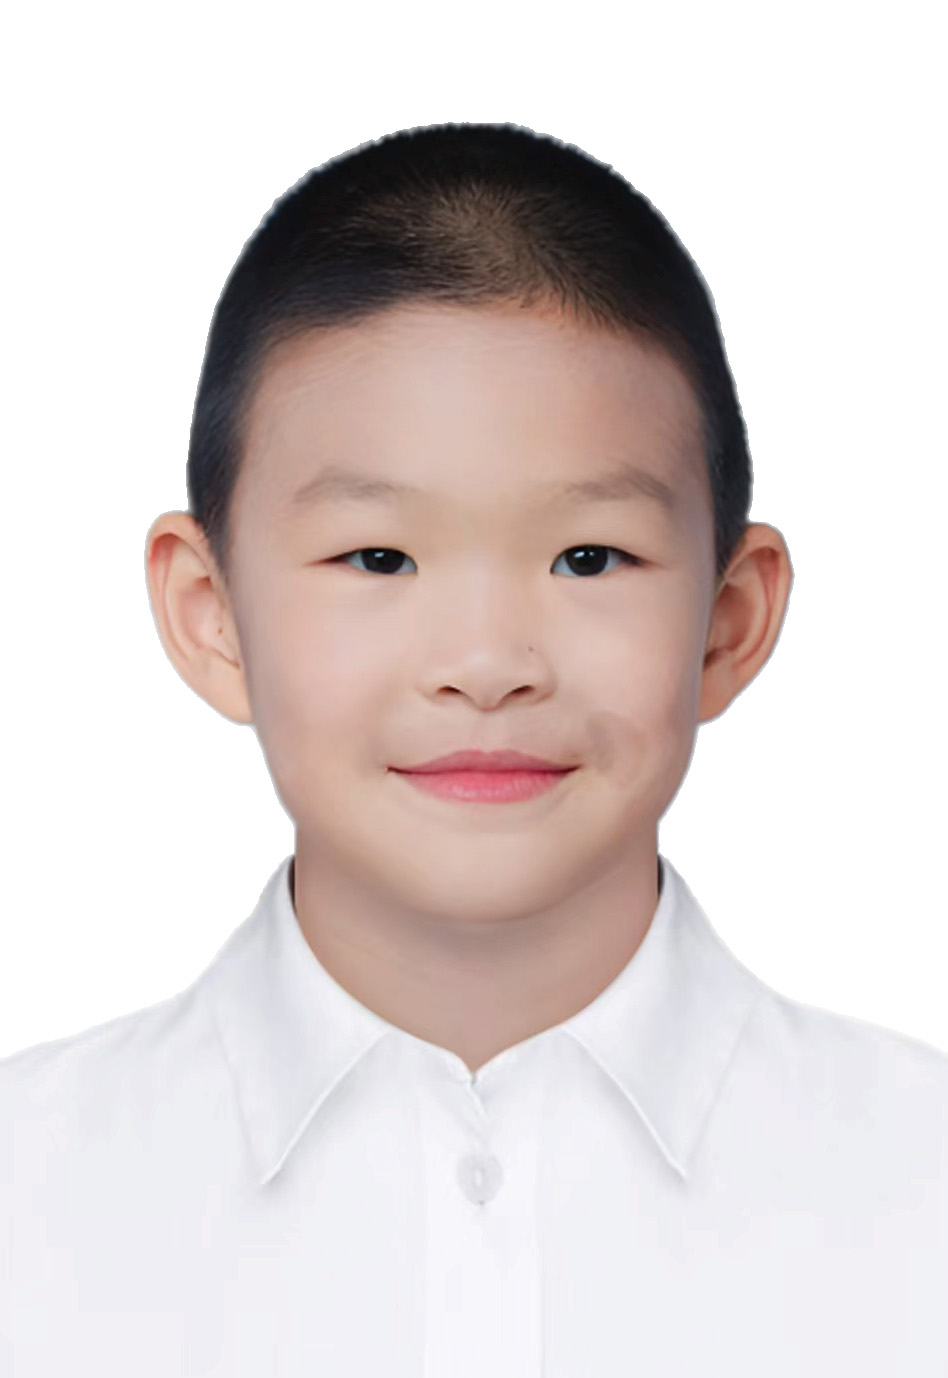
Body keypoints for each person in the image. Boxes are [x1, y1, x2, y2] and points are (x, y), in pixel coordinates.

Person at [2, 121, 945, 1376]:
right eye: (378, 557)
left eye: (589, 557)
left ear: (728, 621)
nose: (488, 659)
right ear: (210, 614)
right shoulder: (30, 1197)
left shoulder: (918, 1187)